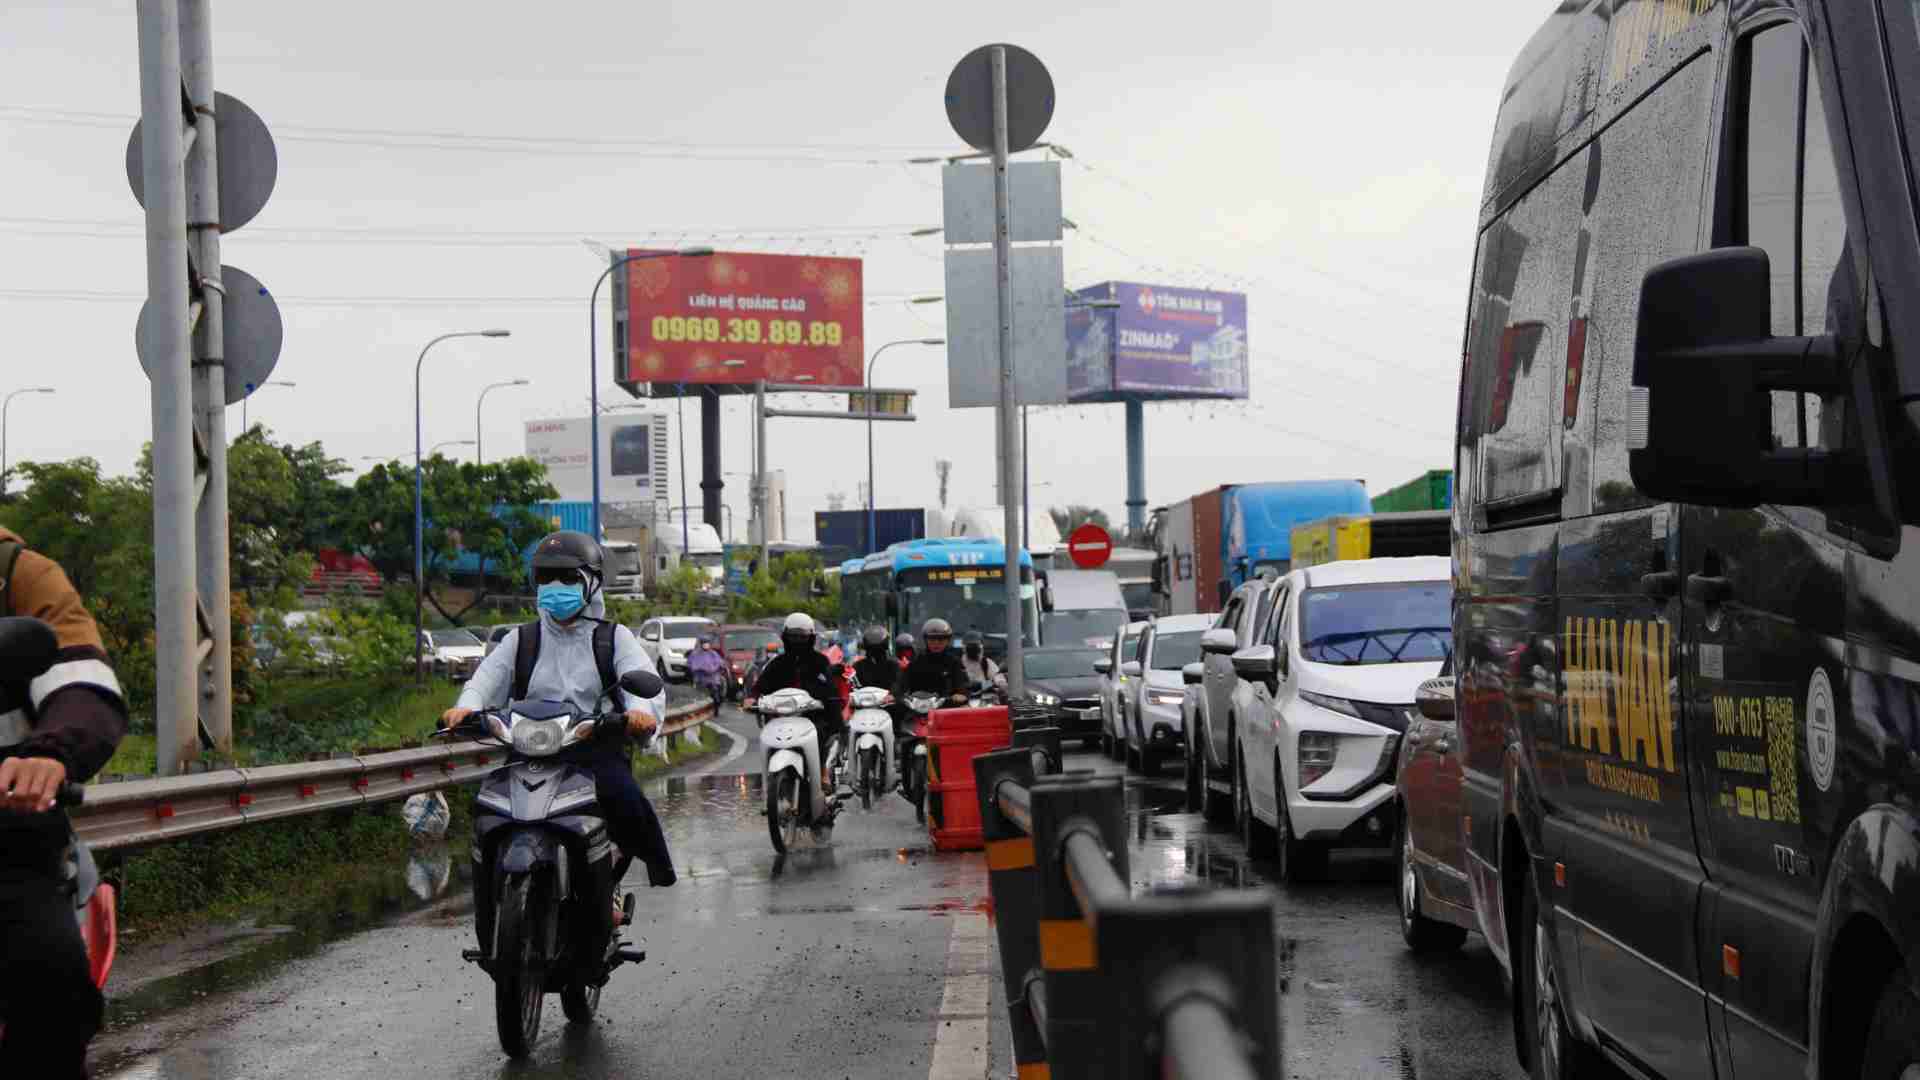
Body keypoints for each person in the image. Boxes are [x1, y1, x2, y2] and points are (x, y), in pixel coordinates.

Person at [442, 530, 675, 922]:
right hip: (528, 747)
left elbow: (640, 679)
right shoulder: (521, 639)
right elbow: (485, 679)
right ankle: (490, 897)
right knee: (486, 809)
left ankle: (613, 878)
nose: (555, 586)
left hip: (592, 747)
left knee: (625, 799)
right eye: (546, 577)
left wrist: (639, 713)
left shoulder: (613, 638)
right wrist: (465, 708)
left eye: (567, 577)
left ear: (592, 582)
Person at [0, 527, 128, 1078]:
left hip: (9, 833)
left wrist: (48, 755)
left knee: (49, 980)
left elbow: (81, 682)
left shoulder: (18, 574)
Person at [743, 613, 845, 789]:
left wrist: (827, 701)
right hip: (781, 718)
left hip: (812, 717)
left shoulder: (820, 661)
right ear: (786, 637)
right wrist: (751, 698)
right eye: (793, 636)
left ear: (810, 637)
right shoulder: (777, 663)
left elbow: (830, 688)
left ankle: (822, 770)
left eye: (802, 637)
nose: (797, 641)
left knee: (821, 734)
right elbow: (760, 686)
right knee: (767, 735)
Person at [850, 625, 897, 692]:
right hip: (863, 698)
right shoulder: (858, 666)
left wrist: (893, 694)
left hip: (889, 698)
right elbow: (853, 688)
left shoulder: (894, 665)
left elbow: (899, 687)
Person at [687, 635, 728, 709]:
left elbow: (720, 662)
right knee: (700, 692)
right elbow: (691, 664)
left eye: (707, 643)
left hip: (713, 677)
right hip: (701, 677)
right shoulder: (695, 654)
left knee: (719, 688)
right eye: (704, 643)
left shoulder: (713, 653)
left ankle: (718, 701)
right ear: (701, 644)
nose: (706, 645)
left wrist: (721, 666)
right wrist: (698, 669)